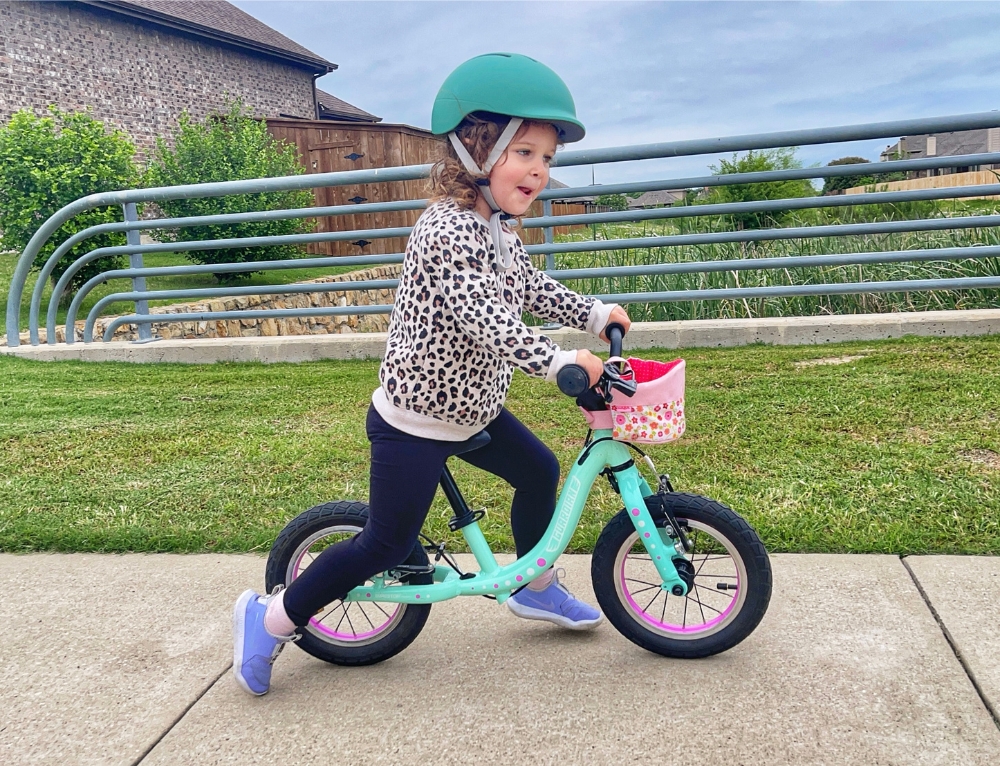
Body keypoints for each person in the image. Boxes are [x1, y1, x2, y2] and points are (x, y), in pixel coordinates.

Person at [233, 52, 631, 696]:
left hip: (473, 407)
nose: (539, 170)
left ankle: (536, 586)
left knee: (538, 471)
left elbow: (523, 287)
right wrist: (559, 361)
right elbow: (484, 319)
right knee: (385, 545)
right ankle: (269, 618)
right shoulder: (444, 230)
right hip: (414, 421)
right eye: (524, 152)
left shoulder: (499, 227)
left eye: (548, 159)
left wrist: (590, 312)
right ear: (477, 149)